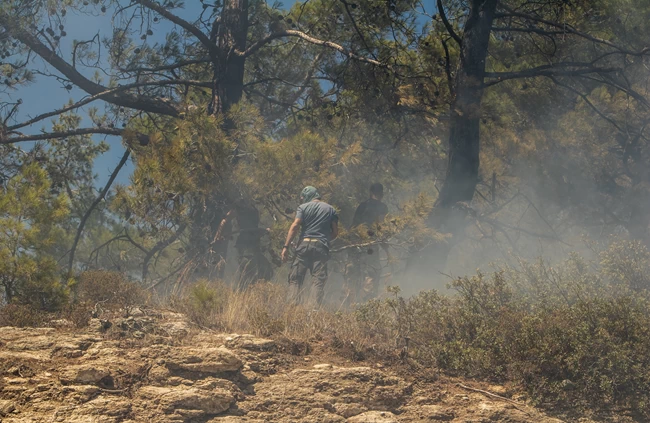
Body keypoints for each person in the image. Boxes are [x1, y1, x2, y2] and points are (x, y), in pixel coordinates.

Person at [282, 186, 339, 307]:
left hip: (304, 245)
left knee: (296, 279)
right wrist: (322, 240)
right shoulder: (330, 209)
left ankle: (291, 308)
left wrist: (286, 246)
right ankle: (313, 311)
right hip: (321, 247)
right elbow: (334, 233)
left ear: (307, 196)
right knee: (318, 280)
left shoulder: (303, 207)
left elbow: (295, 226)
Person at [344, 182, 389, 305]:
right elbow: (381, 226)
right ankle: (366, 304)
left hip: (356, 242)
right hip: (371, 243)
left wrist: (351, 242)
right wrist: (386, 247)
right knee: (371, 273)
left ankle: (349, 301)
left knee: (353, 272)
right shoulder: (382, 207)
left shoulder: (362, 206)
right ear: (382, 194)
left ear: (370, 193)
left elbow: (353, 225)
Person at [214, 199, 272, 288]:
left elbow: (254, 228)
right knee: (248, 272)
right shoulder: (240, 205)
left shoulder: (254, 206)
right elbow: (225, 220)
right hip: (244, 245)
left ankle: (251, 292)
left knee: (267, 270)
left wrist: (264, 231)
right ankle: (241, 295)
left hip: (255, 244)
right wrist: (218, 236)